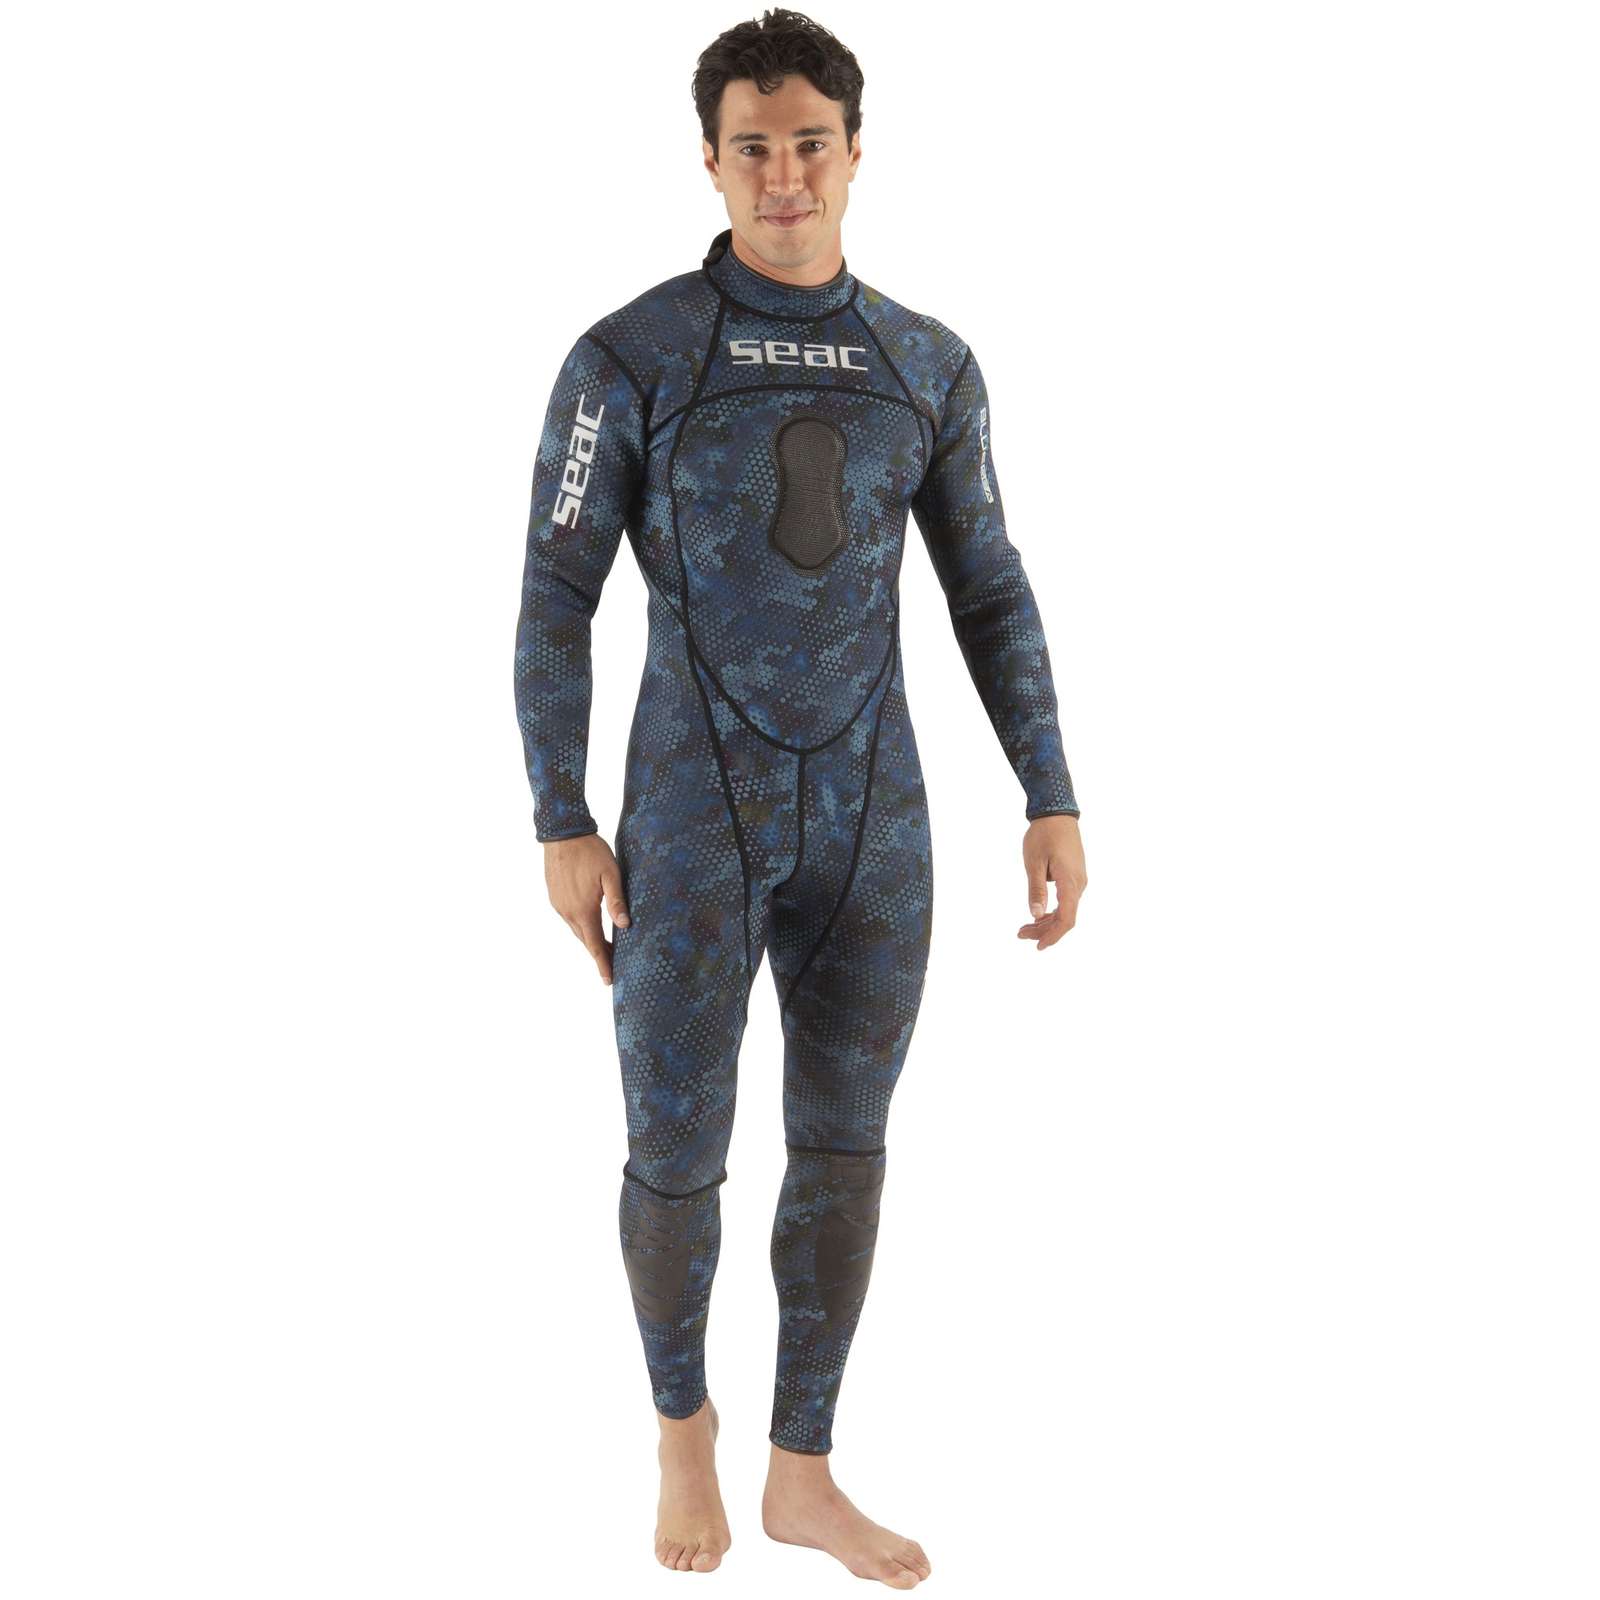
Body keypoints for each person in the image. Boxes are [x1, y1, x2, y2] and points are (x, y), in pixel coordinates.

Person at [513, 8, 1087, 1586]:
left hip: (874, 828)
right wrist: (560, 815)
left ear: (856, 153)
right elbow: (555, 591)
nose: (784, 174)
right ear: (708, 161)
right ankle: (680, 1432)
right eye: (752, 146)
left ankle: (803, 1474)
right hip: (688, 823)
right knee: (676, 1153)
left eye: (809, 143)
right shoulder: (629, 357)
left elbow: (990, 585)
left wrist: (1049, 788)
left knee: (844, 1152)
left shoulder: (926, 362)